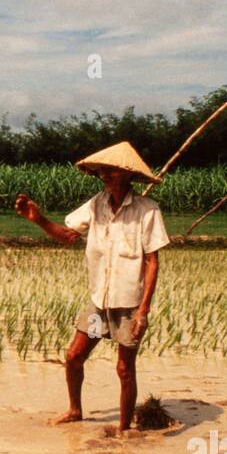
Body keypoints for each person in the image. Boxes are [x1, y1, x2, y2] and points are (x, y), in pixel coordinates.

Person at [14, 141, 169, 431]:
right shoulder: (96, 205)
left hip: (128, 304)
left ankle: (124, 430)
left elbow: (152, 262)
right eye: (101, 172)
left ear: (126, 173)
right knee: (74, 357)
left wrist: (143, 310)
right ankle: (75, 410)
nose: (105, 176)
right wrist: (39, 220)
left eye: (110, 171)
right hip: (100, 302)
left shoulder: (147, 211)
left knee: (124, 369)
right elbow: (67, 235)